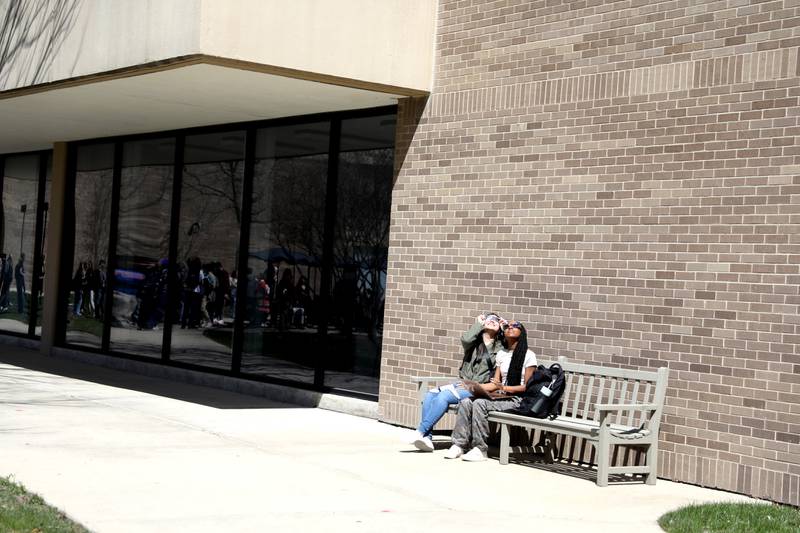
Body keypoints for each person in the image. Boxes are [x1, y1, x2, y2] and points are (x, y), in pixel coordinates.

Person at [410, 313, 505, 452]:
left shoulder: (500, 347)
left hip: (480, 387)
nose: (492, 321)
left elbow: (511, 345)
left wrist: (504, 327)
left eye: (496, 320)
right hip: (464, 383)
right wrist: (478, 324)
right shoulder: (473, 343)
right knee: (430, 394)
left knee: (444, 396)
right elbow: (465, 339)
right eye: (489, 319)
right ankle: (427, 439)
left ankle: (420, 432)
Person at [445, 320, 537, 462]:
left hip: (518, 400)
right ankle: (459, 444)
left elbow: (527, 387)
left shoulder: (528, 355)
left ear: (522, 333)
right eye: (507, 326)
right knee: (466, 401)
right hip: (500, 396)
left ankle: (480, 449)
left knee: (480, 404)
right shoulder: (502, 354)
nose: (510, 327)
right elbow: (495, 384)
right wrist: (473, 387)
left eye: (515, 326)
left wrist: (504, 388)